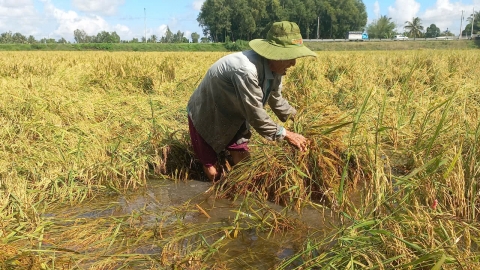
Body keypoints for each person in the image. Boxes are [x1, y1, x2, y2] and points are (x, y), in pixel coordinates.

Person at [187, 21, 317, 181]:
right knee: (213, 171)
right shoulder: (246, 71)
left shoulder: (276, 70)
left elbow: (276, 99)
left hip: (236, 111)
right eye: (290, 57)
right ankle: (217, 196)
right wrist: (287, 134)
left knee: (244, 163)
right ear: (275, 55)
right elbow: (256, 115)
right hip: (207, 111)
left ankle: (238, 191)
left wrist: (299, 118)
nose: (293, 63)